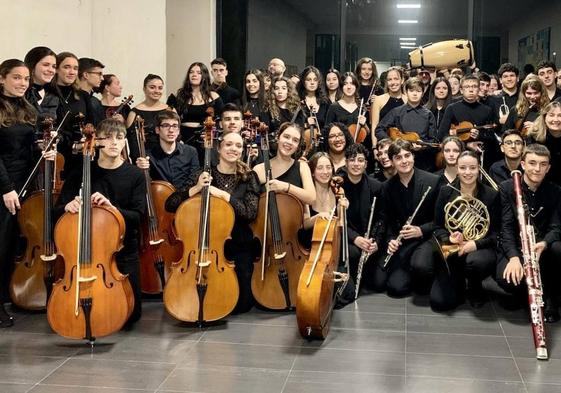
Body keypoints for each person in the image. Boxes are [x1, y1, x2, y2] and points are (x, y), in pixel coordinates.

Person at [56, 118, 146, 325]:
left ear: (125, 143)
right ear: (96, 141)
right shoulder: (81, 172)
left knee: (130, 316)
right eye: (108, 137)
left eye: (120, 137)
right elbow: (57, 211)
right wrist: (67, 206)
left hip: (121, 250)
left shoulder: (134, 175)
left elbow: (137, 215)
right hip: (84, 251)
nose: (115, 142)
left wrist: (112, 209)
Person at [165, 132, 260, 314]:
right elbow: (170, 204)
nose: (233, 149)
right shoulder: (203, 175)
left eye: (238, 146)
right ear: (218, 148)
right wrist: (197, 188)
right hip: (205, 246)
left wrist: (224, 196)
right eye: (229, 144)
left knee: (242, 305)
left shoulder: (249, 177)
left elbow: (250, 213)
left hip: (238, 246)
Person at [496, 144, 561, 322]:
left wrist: (545, 243)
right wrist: (514, 257)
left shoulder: (555, 191)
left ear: (548, 168)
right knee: (508, 280)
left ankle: (551, 298)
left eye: (542, 164)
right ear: (523, 164)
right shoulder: (507, 188)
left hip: (541, 246)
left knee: (557, 249)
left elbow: (556, 227)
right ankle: (526, 294)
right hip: (517, 244)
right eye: (532, 163)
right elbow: (506, 227)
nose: (537, 169)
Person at [432, 151, 499, 310]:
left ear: (478, 169)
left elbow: (497, 233)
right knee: (440, 302)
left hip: (479, 247)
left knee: (476, 263)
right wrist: (450, 238)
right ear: (457, 168)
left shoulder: (491, 195)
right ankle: (458, 280)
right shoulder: (446, 191)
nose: (468, 172)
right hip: (453, 247)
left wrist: (475, 243)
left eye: (472, 168)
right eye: (463, 168)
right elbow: (437, 226)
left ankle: (475, 286)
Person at [373, 139, 439, 297]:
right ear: (392, 161)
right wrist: (390, 240)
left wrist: (420, 230)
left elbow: (441, 220)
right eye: (398, 157)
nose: (404, 161)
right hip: (403, 242)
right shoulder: (387, 187)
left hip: (427, 238)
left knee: (421, 267)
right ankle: (411, 270)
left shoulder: (433, 181)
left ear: (413, 157)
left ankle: (428, 272)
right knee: (395, 289)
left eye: (407, 155)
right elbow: (385, 219)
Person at [0, 59, 38, 327]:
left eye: (26, 79)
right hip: (4, 187)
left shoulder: (27, 107)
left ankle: (8, 295)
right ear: (2, 78)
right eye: (17, 78)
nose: (23, 83)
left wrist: (42, 150)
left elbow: (27, 149)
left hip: (23, 184)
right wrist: (6, 189)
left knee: (14, 245)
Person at [340, 144, 384, 296]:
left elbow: (381, 219)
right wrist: (355, 238)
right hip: (348, 239)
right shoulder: (338, 186)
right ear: (346, 163)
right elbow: (338, 220)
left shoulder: (376, 186)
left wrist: (375, 242)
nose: (356, 164)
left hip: (368, 240)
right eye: (352, 160)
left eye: (360, 160)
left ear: (366, 164)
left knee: (379, 284)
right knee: (353, 254)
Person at [375, 77, 438, 171]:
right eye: (412, 90)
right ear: (406, 92)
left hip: (423, 162)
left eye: (418, 91)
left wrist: (422, 147)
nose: (415, 94)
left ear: (422, 93)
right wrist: (392, 143)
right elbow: (379, 129)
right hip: (400, 160)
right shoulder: (396, 112)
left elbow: (433, 141)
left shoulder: (428, 114)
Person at [437, 75, 496, 167]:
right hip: (456, 155)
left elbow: (491, 137)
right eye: (467, 87)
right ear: (461, 90)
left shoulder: (487, 110)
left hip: (478, 156)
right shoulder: (452, 108)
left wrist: (479, 135)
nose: (471, 90)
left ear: (478, 89)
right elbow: (442, 135)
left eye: (474, 86)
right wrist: (467, 144)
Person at [253, 122, 316, 206]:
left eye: (295, 140)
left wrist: (286, 187)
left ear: (298, 146)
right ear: (278, 137)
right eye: (286, 137)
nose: (290, 142)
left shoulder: (302, 167)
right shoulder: (259, 169)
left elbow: (312, 198)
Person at [167, 62, 224, 152]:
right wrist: (177, 139)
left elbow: (221, 123)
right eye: (191, 72)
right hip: (183, 139)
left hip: (205, 139)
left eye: (198, 73)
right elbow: (170, 120)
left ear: (204, 76)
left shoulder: (214, 97)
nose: (194, 75)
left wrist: (213, 133)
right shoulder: (178, 96)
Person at [135, 110, 199, 190]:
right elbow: (145, 184)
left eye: (175, 126)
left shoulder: (191, 152)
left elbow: (193, 179)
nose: (171, 130)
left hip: (186, 199)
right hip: (159, 199)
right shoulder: (148, 155)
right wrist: (140, 170)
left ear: (178, 130)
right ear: (157, 130)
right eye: (166, 125)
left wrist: (178, 197)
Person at [126, 74, 173, 158]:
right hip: (142, 159)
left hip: (166, 158)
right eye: (152, 87)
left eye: (160, 88)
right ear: (144, 89)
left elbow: (176, 136)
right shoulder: (134, 113)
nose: (157, 91)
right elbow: (131, 141)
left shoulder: (170, 110)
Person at [325, 72, 368, 138]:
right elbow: (326, 131)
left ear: (356, 86)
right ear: (342, 87)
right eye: (345, 84)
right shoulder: (333, 107)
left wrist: (364, 125)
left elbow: (368, 133)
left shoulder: (362, 108)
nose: (349, 87)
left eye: (352, 84)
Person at [370, 66, 406, 147]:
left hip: (403, 146)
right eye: (390, 79)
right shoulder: (378, 100)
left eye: (396, 79)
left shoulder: (408, 100)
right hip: (383, 146)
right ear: (386, 82)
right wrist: (374, 147)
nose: (393, 82)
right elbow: (374, 126)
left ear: (402, 80)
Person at [527, 101, 561, 186]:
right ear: (544, 117)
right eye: (551, 115)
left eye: (560, 115)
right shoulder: (534, 137)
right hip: (541, 182)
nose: (556, 119)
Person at [24, 46, 59, 121]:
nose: (51, 70)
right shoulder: (19, 93)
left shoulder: (54, 96)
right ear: (32, 66)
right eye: (46, 65)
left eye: (54, 66)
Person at [297, 66, 329, 131]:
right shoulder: (297, 100)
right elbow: (292, 125)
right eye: (308, 80)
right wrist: (306, 125)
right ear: (303, 81)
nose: (312, 83)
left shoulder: (325, 102)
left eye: (315, 80)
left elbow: (329, 125)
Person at [77, 57, 105, 125]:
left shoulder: (96, 101)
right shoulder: (72, 98)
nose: (102, 78)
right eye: (99, 74)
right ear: (86, 75)